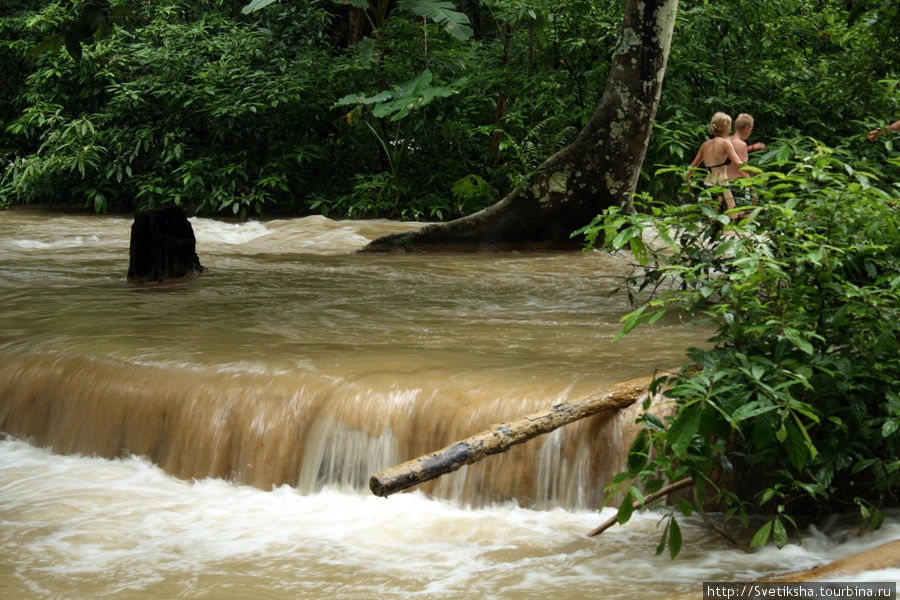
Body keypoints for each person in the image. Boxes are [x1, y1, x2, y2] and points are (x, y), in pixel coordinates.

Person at [686, 112, 745, 215]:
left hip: (707, 185)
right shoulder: (725, 143)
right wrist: (755, 172)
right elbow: (738, 164)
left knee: (711, 217)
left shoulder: (705, 144)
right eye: (730, 125)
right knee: (731, 216)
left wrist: (686, 180)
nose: (731, 128)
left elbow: (693, 166)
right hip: (722, 184)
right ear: (725, 127)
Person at [727, 113, 766, 207]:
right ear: (746, 128)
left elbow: (734, 154)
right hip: (738, 184)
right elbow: (742, 167)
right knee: (744, 214)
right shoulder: (741, 144)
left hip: (725, 181)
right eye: (751, 130)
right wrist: (758, 173)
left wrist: (753, 147)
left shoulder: (726, 141)